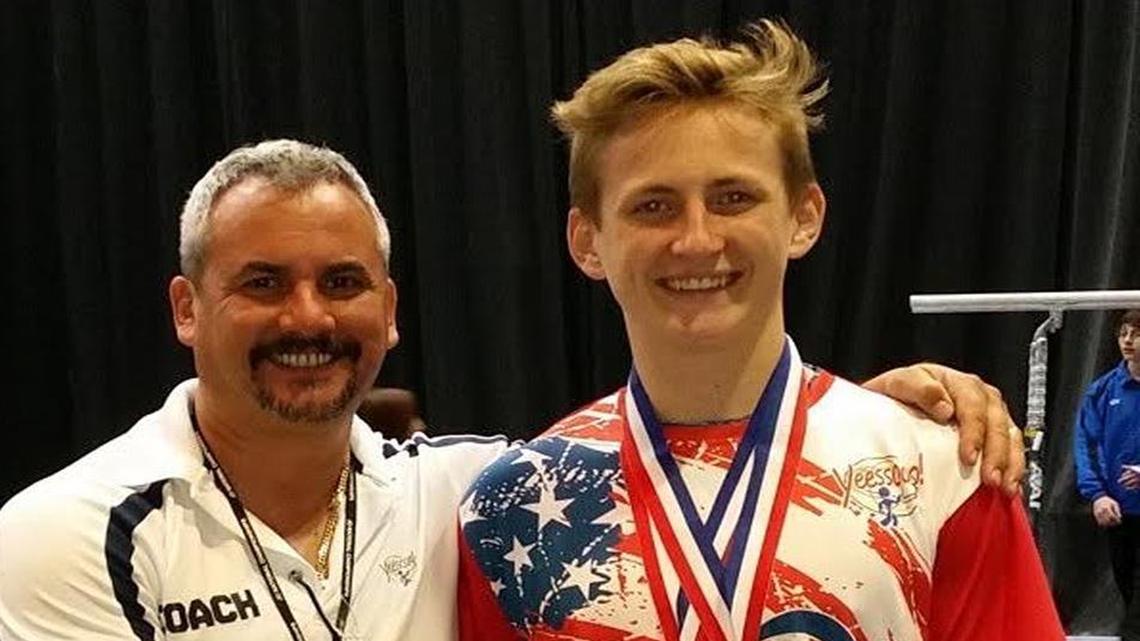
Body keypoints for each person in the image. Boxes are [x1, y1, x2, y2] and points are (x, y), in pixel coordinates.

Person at [0, 139, 1020, 640]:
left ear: (389, 309)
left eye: (342, 282)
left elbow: (703, 438)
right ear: (187, 306)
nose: (308, 317)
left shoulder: (476, 492)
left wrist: (886, 408)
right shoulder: (57, 537)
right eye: (261, 283)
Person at [457, 20, 1063, 641]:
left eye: (733, 198)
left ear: (804, 217)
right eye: (653, 206)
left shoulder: (941, 468)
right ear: (588, 241)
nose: (696, 239)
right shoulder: (514, 506)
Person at [1074, 309, 1140, 641]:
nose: (1128, 341)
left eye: (1137, 334)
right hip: (1122, 512)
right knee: (1129, 592)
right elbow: (1084, 443)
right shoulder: (1102, 391)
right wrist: (1097, 494)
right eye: (1123, 333)